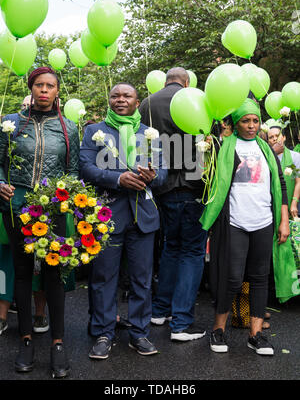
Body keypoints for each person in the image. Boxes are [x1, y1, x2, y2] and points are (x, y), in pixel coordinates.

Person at [0, 67, 80, 377]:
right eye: (39, 85)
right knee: (22, 271)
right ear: (31, 88)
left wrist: (65, 194)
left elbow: (72, 170)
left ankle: (57, 343)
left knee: (52, 272)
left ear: (57, 91)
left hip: (53, 208)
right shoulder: (10, 122)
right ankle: (26, 339)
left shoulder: (69, 127)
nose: (44, 90)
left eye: (50, 86)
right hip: (16, 204)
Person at [80, 82, 167, 359]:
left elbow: (163, 171)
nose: (120, 99)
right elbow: (86, 167)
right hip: (107, 216)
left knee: (142, 280)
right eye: (115, 95)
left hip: (144, 217)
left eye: (126, 95)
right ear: (109, 99)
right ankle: (103, 333)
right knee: (104, 277)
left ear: (136, 100)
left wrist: (154, 175)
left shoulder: (149, 134)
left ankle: (139, 334)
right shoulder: (95, 132)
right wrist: (117, 178)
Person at [200, 98, 290, 356]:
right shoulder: (223, 146)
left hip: (264, 221)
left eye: (255, 121)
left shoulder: (266, 148)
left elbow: (280, 185)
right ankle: (219, 330)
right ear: (236, 123)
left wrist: (283, 219)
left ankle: (256, 335)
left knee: (260, 278)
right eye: (245, 121)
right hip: (234, 222)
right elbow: (207, 178)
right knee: (231, 278)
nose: (251, 125)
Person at [139, 67, 207, 341]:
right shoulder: (197, 98)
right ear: (186, 82)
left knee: (170, 247)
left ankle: (160, 310)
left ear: (166, 81)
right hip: (193, 184)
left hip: (162, 185)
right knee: (191, 251)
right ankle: (181, 322)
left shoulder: (147, 103)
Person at [267, 123, 300, 218]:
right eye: (271, 137)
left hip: (290, 202)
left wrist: (294, 202)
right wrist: (272, 153)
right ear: (268, 141)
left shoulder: (294, 157)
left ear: (284, 137)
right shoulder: (266, 158)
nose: (274, 139)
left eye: (277, 136)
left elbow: (298, 181)